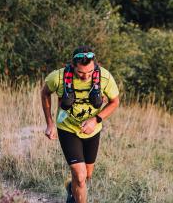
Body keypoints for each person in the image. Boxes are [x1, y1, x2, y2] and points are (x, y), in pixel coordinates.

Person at [41, 46, 120, 203]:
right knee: (80, 175)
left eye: (90, 72)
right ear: (72, 66)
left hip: (93, 131)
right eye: (81, 73)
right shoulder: (58, 77)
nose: (86, 77)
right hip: (67, 128)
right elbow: (45, 93)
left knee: (87, 175)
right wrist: (49, 123)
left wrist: (96, 119)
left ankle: (72, 189)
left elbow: (115, 101)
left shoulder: (104, 77)